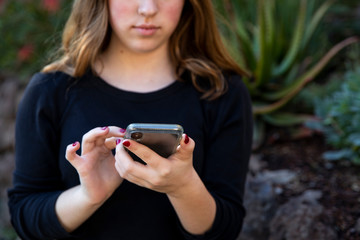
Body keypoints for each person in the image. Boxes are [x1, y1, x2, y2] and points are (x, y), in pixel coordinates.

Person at [7, 0, 253, 239]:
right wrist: (88, 195)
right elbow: (25, 216)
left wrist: (183, 187)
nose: (148, 9)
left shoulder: (222, 92)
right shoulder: (50, 91)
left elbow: (225, 228)